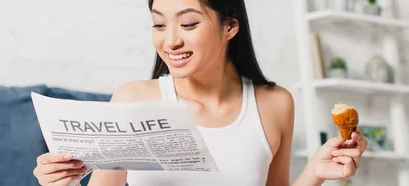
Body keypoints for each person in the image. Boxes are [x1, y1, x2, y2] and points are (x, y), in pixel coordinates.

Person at [32, 0, 367, 185]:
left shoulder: (275, 103)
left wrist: (315, 173)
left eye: (188, 24)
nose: (170, 40)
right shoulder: (133, 99)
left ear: (230, 27)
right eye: (159, 24)